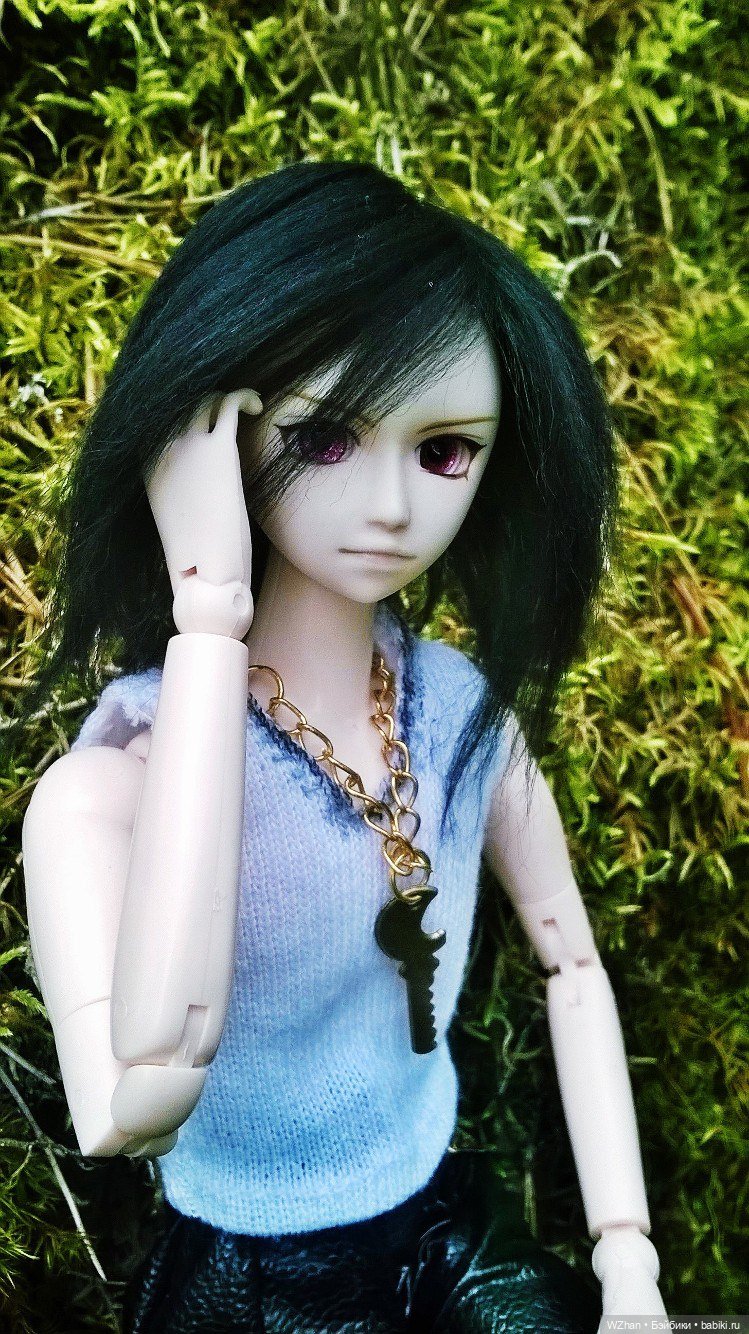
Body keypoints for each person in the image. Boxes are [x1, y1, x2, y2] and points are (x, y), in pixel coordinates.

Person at [22, 162, 669, 1331]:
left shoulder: (460, 714)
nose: (391, 507)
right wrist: (208, 616)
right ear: (204, 442)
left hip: (440, 1216)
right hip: (250, 1276)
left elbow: (571, 965)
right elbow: (134, 1097)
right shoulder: (110, 783)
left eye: (443, 451)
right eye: (322, 438)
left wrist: (627, 1259)